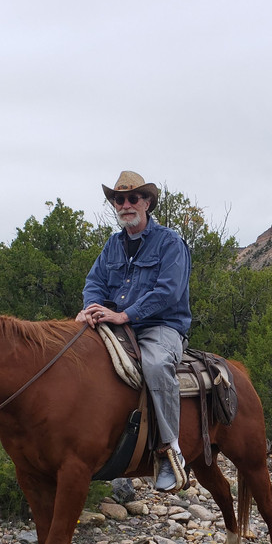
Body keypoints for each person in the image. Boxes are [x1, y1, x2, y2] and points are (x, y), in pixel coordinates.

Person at [76, 171, 192, 492]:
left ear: (147, 202)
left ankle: (171, 451)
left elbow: (167, 292)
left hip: (161, 327)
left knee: (155, 365)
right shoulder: (112, 246)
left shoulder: (170, 242)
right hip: (118, 324)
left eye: (132, 198)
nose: (125, 204)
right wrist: (91, 309)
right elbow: (94, 282)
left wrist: (123, 314)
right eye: (119, 199)